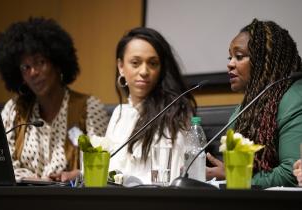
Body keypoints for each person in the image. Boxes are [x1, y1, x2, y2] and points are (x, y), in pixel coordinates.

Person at [0, 17, 109, 182]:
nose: (33, 72)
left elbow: (103, 166)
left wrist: (78, 175)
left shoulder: (88, 109)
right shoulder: (15, 110)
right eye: (26, 67)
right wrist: (29, 179)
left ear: (57, 64)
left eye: (40, 62)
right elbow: (1, 165)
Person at [206, 18, 302, 188]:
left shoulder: (295, 99)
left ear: (266, 60)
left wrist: (234, 179)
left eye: (239, 56)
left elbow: (291, 174)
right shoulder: (249, 106)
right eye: (230, 57)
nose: (230, 64)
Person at [105, 27, 196, 184]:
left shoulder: (175, 111)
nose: (144, 71)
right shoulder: (119, 113)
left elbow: (175, 177)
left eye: (153, 63)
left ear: (161, 69)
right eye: (135, 63)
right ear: (121, 66)